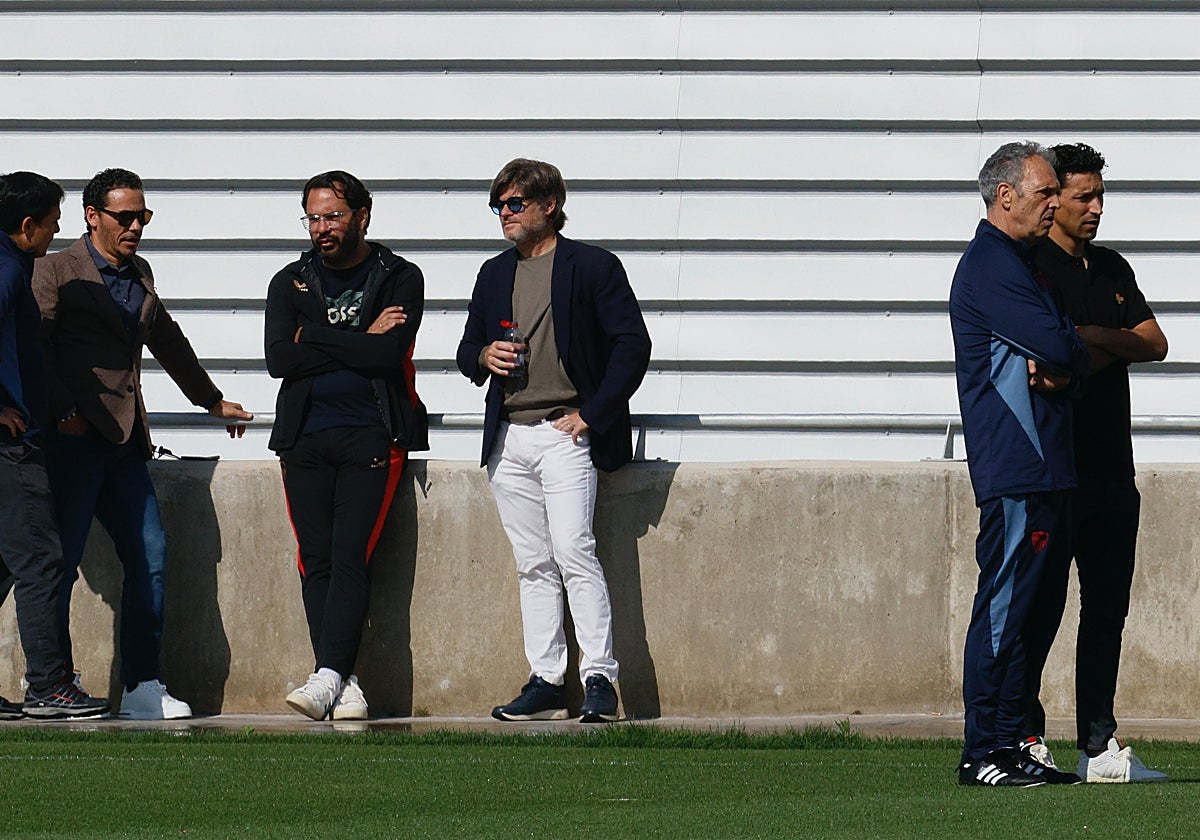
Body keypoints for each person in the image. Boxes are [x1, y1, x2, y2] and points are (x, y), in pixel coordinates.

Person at [33, 168, 252, 720]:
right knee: (55, 565)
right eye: (124, 217)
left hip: (127, 444)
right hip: (73, 442)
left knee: (151, 558)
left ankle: (141, 685)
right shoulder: (55, 270)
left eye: (142, 217)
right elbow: (34, 347)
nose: (135, 227)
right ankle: (51, 682)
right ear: (92, 216)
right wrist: (63, 411)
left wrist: (211, 400)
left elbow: (167, 338)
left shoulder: (140, 272)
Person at [456, 158, 651, 723]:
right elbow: (468, 348)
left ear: (550, 205)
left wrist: (592, 414)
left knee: (573, 551)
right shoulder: (493, 274)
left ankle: (599, 679)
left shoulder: (592, 267)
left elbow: (631, 346)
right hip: (509, 438)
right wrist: (482, 358)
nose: (505, 216)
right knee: (532, 563)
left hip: (566, 433)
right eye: (498, 206)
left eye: (515, 204)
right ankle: (546, 680)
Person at [949, 142, 1091, 786]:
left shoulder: (1022, 264)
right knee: (1004, 610)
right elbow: (1064, 343)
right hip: (1017, 471)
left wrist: (1065, 362)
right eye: (1044, 193)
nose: (1055, 203)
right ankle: (984, 750)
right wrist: (1065, 357)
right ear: (1005, 196)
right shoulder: (989, 267)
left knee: (1034, 615)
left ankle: (1013, 746)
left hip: (1047, 471)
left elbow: (1065, 353)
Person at [1027, 143, 1169, 782]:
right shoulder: (1030, 268)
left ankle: (1098, 747)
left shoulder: (1111, 268)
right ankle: (1025, 736)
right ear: (1053, 200)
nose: (1095, 208)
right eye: (1084, 196)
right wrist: (1112, 346)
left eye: (1100, 196)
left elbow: (1156, 343)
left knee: (1107, 608)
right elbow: (1044, 360)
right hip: (1054, 470)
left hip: (1115, 471)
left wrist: (1090, 341)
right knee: (1041, 607)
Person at [265, 171, 427, 721]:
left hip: (372, 434)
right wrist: (359, 340)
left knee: (352, 553)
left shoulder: (399, 276)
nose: (321, 228)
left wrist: (313, 337)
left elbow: (389, 357)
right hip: (303, 436)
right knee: (316, 558)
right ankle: (341, 678)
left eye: (332, 215)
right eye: (312, 217)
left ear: (362, 215)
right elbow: (278, 360)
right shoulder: (291, 280)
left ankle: (327, 675)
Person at [0, 171, 111, 719]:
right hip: (8, 448)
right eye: (51, 222)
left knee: (4, 563)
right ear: (26, 225)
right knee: (41, 561)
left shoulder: (11, 266)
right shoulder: (3, 270)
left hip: (17, 438)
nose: (57, 230)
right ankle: (48, 685)